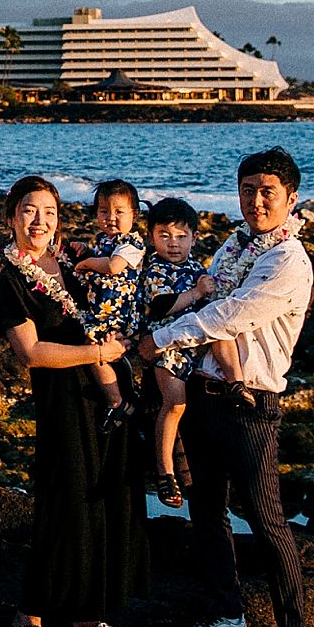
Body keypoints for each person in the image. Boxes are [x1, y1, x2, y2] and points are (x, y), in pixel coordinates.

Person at [140, 147, 314, 627]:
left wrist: (159, 338)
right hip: (204, 392)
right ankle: (227, 613)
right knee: (206, 511)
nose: (256, 201)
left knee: (266, 519)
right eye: (247, 190)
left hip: (251, 403)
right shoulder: (233, 247)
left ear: (290, 198)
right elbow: (204, 297)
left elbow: (230, 313)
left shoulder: (288, 261)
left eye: (267, 192)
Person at [0, 174, 145, 627]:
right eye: (29, 211)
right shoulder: (10, 280)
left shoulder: (74, 261)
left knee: (106, 501)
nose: (39, 221)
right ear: (11, 216)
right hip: (62, 398)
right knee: (62, 502)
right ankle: (30, 613)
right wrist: (96, 350)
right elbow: (32, 352)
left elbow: (121, 290)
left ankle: (85, 612)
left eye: (49, 213)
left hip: (110, 390)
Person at [138, 196, 219, 507]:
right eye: (165, 235)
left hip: (193, 350)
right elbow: (159, 307)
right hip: (164, 346)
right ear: (151, 236)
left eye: (182, 236)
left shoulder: (198, 268)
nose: (173, 244)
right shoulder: (154, 268)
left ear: (195, 238)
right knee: (174, 405)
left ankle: (186, 473)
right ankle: (164, 473)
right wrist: (197, 292)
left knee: (189, 411)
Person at [68, 179, 146, 433]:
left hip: (118, 314)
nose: (111, 217)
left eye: (119, 212)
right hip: (102, 311)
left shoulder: (133, 245)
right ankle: (120, 396)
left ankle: (118, 402)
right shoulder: (105, 239)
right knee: (94, 351)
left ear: (134, 215)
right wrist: (86, 249)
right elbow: (104, 256)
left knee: (94, 352)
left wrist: (87, 263)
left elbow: (113, 266)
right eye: (104, 211)